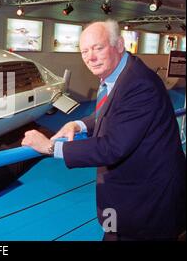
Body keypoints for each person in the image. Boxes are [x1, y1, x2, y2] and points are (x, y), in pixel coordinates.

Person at [21, 20, 186, 241]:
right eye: (84, 51)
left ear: (119, 44)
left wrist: (50, 147)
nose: (90, 57)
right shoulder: (119, 74)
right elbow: (110, 111)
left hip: (147, 204)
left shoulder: (138, 84)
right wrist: (78, 124)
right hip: (132, 199)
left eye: (98, 48)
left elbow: (113, 146)